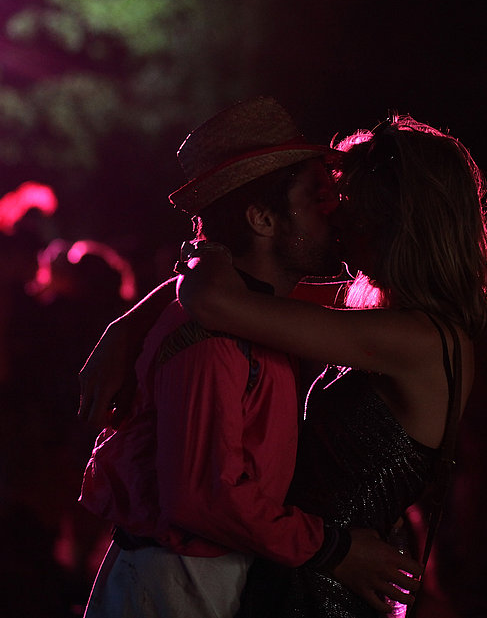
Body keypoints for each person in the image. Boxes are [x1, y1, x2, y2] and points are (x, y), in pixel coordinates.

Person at [78, 97, 421, 618]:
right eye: (316, 197)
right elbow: (202, 498)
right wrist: (336, 550)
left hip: (195, 576)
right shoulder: (214, 338)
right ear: (262, 218)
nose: (334, 214)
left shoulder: (250, 313)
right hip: (178, 583)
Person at [173, 114, 487, 617]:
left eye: (349, 209)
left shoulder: (417, 339)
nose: (336, 221)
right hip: (319, 568)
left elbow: (217, 300)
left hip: (325, 587)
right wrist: (125, 327)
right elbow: (256, 289)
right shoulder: (403, 321)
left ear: (394, 224)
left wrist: (203, 251)